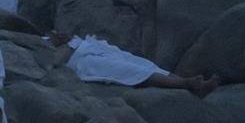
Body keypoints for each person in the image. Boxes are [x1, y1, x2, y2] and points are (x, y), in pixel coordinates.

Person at [47, 30, 217, 95]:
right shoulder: (40, 45)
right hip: (84, 61)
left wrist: (68, 39)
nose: (55, 32)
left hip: (94, 48)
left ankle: (193, 85)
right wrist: (66, 46)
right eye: (53, 34)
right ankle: (184, 84)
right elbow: (55, 61)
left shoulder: (48, 39)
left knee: (144, 64)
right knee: (129, 71)